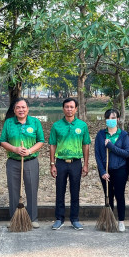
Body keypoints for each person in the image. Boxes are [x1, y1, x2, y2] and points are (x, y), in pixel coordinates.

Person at [1, 98, 45, 228]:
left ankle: (33, 218)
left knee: (32, 189)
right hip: (13, 162)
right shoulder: (9, 123)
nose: (21, 110)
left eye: (23, 107)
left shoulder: (35, 122)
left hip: (30, 161)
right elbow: (3, 141)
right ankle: (15, 218)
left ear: (28, 109)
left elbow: (41, 140)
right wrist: (15, 149)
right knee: (14, 190)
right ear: (14, 110)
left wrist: (30, 151)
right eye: (18, 107)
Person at [49, 98, 90, 230]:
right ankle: (59, 219)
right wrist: (52, 164)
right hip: (60, 162)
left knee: (75, 191)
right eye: (66, 107)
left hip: (76, 163)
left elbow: (86, 145)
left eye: (72, 107)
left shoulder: (82, 125)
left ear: (76, 109)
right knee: (59, 191)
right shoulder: (56, 125)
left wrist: (86, 164)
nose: (69, 109)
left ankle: (75, 219)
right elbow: (52, 145)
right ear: (63, 109)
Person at [94, 109, 129, 232]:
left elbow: (126, 153)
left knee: (119, 195)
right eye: (109, 118)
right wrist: (102, 171)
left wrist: (111, 146)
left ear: (118, 119)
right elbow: (98, 155)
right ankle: (110, 220)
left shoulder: (123, 135)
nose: (111, 120)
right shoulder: (100, 135)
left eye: (113, 118)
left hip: (120, 170)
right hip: (105, 171)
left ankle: (121, 221)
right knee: (108, 195)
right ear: (105, 120)